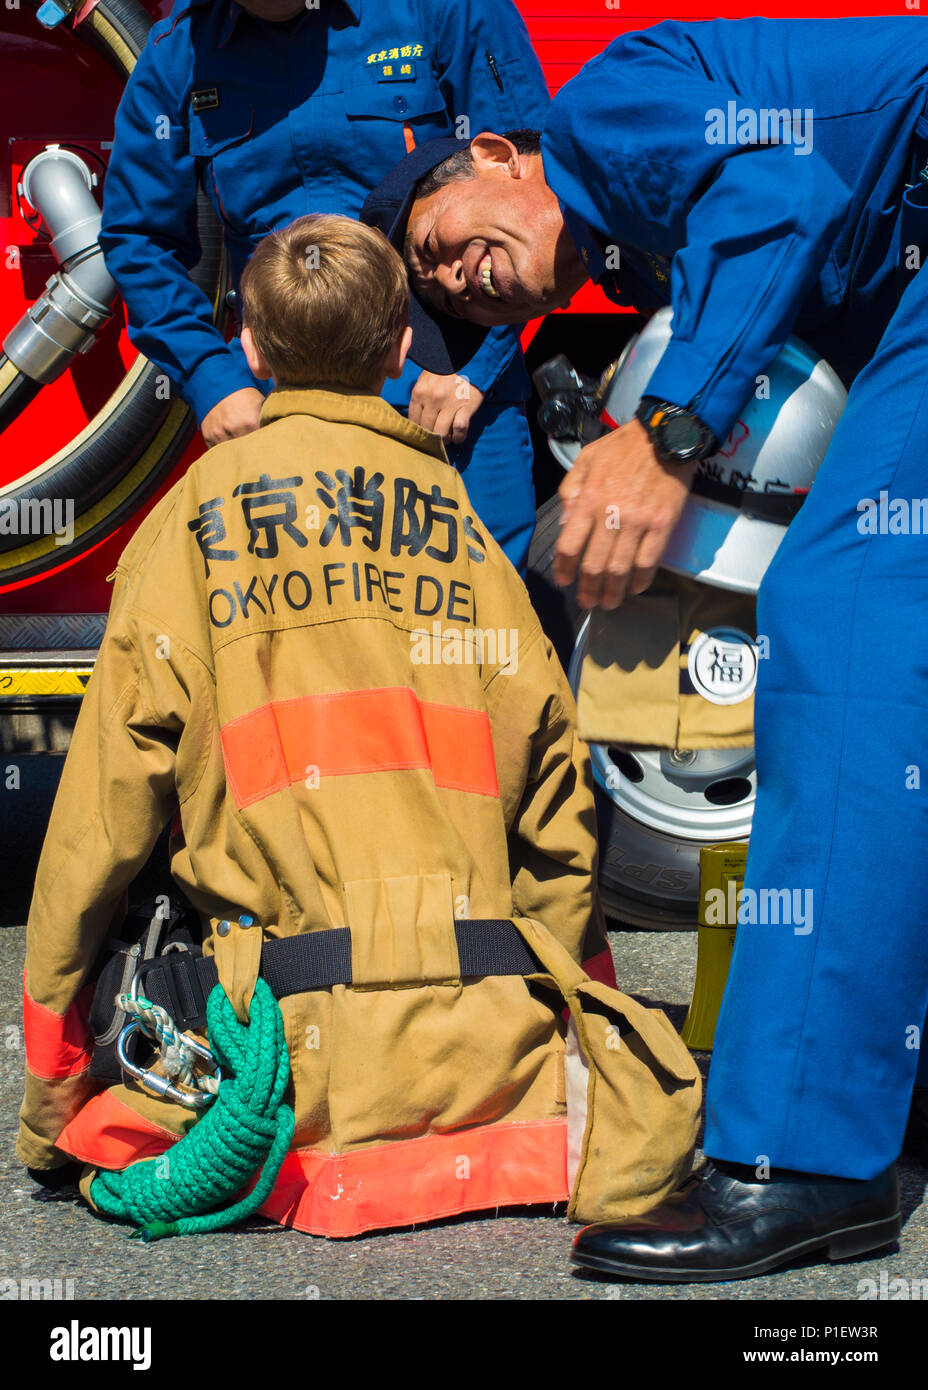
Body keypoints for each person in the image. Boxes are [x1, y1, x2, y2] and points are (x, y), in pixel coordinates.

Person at [363, 16, 928, 1279]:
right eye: (437, 293)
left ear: (500, 156)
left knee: (842, 622)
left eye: (440, 243)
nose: (457, 280)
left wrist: (670, 438)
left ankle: (805, 1158)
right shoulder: (638, 241)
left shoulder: (600, 117)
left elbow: (782, 184)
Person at [17, 215, 702, 1241]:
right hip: (493, 1077)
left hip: (295, 1069)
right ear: (398, 349)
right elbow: (558, 806)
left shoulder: (189, 524)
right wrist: (581, 1011)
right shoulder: (467, 536)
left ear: (247, 343)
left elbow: (99, 821)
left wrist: (54, 1092)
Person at [97, 0, 551, 571]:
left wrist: (474, 368)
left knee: (476, 638)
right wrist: (209, 377)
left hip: (446, 405)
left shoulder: (447, 10)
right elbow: (139, 240)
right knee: (308, 641)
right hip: (284, 419)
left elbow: (538, 186)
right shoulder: (176, 58)